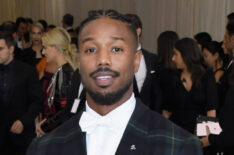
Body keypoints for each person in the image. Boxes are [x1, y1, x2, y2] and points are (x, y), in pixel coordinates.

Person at [26, 9, 202, 155]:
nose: (103, 59)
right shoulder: (44, 148)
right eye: (91, 49)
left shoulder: (179, 146)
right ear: (79, 61)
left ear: (136, 60)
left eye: (116, 49)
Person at [162, 38, 218, 134]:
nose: (173, 59)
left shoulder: (206, 75)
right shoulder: (173, 77)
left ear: (186, 55)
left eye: (176, 54)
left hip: (200, 133)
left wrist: (209, 138)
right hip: (177, 132)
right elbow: (166, 111)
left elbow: (211, 110)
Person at [0, 30, 42, 154]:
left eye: (1, 49)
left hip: (22, 136)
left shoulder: (28, 71)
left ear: (11, 49)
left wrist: (24, 121)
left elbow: (36, 101)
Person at [35, 27, 79, 135]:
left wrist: (45, 127)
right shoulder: (63, 70)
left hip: (62, 133)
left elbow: (64, 111)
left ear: (55, 48)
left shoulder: (65, 73)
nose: (43, 52)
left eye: (45, 48)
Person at [125, 13, 161, 112]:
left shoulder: (152, 59)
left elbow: (158, 93)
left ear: (138, 31)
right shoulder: (118, 59)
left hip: (150, 117)